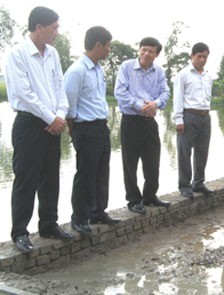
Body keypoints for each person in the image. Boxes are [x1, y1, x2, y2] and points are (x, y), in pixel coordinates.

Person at [4, 6, 72, 253]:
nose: (57, 32)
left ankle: (48, 224)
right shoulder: (17, 54)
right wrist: (50, 117)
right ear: (39, 27)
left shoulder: (52, 54)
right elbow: (24, 93)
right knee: (26, 179)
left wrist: (60, 115)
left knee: (50, 177)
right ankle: (20, 233)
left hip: (53, 123)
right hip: (29, 124)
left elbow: (59, 88)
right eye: (54, 28)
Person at [64, 26, 120, 237]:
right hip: (85, 128)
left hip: (100, 127)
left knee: (101, 172)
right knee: (85, 175)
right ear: (98, 45)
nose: (109, 50)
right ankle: (79, 218)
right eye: (108, 46)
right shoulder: (77, 71)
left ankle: (98, 211)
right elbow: (69, 107)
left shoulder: (97, 69)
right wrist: (74, 133)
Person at [114, 37, 171, 215]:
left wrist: (155, 104)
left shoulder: (159, 71)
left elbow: (165, 92)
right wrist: (141, 106)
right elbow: (120, 92)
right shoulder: (126, 67)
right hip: (130, 121)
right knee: (130, 163)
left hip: (149, 122)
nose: (146, 54)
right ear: (139, 49)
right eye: (143, 49)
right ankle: (133, 200)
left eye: (151, 51)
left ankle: (150, 196)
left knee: (152, 161)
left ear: (156, 54)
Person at [173, 42, 214, 199]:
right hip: (189, 115)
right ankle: (185, 185)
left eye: (205, 57)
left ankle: (199, 182)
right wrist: (178, 119)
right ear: (192, 56)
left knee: (202, 151)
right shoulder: (183, 74)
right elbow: (178, 98)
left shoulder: (208, 76)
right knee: (184, 151)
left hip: (205, 116)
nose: (202, 60)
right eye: (199, 56)